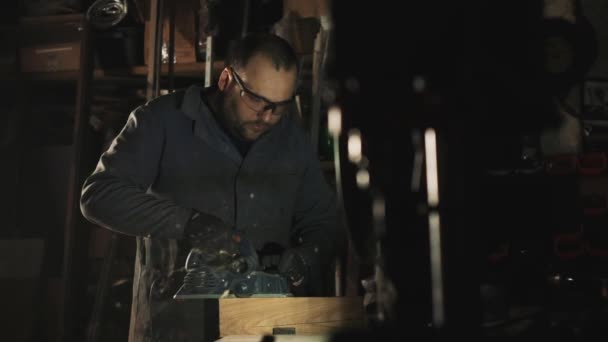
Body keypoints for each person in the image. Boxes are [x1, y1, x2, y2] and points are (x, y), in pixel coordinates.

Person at [80, 33, 338, 342]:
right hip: (174, 324)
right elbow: (99, 195)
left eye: (279, 107)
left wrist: (306, 257)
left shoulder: (292, 140)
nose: (267, 117)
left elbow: (323, 222)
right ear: (226, 79)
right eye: (256, 100)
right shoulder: (161, 120)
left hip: (261, 325)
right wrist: (188, 223)